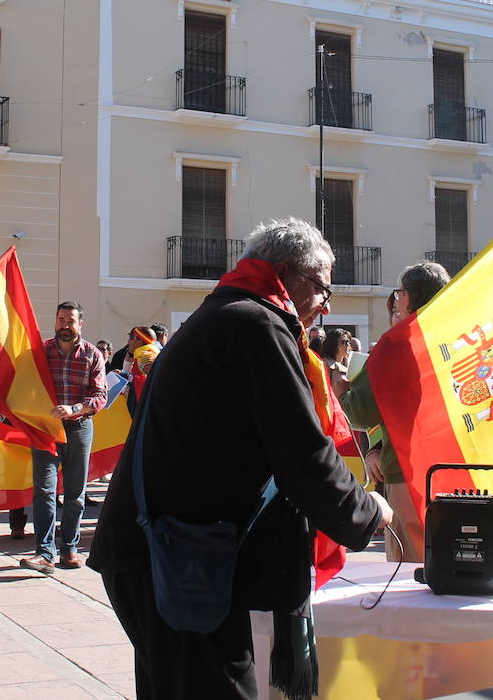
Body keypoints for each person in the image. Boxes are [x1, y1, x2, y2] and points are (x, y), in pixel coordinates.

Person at [89, 216, 391, 698]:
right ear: (288, 272)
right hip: (174, 554)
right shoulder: (256, 324)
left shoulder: (230, 313)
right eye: (321, 287)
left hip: (163, 549)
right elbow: (301, 451)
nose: (326, 305)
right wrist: (368, 509)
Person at [341, 260, 450, 561]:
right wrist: (376, 447)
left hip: (407, 469)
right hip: (456, 467)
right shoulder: (455, 335)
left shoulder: (398, 343)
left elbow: (361, 412)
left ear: (407, 297)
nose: (395, 301)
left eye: (398, 293)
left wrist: (340, 391)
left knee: (410, 568)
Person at [20, 301, 107, 575]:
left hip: (79, 427)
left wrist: (74, 409)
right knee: (44, 491)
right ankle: (45, 552)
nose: (64, 326)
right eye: (60, 320)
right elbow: (23, 382)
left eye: (70, 321)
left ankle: (69, 548)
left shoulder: (93, 355)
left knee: (75, 493)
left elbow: (100, 396)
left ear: (80, 324)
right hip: (46, 429)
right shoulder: (40, 352)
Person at [319, 327, 353, 397]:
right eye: (343, 342)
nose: (348, 345)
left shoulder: (351, 364)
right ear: (333, 345)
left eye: (348, 342)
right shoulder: (324, 364)